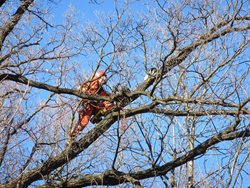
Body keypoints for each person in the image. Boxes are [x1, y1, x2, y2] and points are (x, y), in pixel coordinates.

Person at [70, 70, 113, 137]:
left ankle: (97, 116)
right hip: (88, 106)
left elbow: (105, 95)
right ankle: (72, 136)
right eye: (102, 79)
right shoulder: (93, 83)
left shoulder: (100, 88)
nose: (103, 81)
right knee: (83, 122)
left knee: (109, 104)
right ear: (99, 77)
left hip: (94, 105)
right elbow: (92, 93)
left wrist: (113, 96)